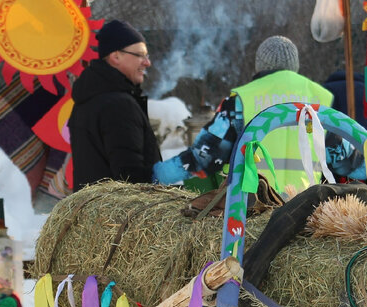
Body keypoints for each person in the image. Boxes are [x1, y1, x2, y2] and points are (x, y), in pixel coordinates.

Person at [154, 35, 333, 196]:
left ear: (259, 65)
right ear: (296, 65)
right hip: (307, 213)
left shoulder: (241, 101)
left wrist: (155, 174)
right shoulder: (323, 99)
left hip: (253, 211)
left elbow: (203, 157)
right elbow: (348, 160)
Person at [68, 19, 161, 191]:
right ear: (115, 56)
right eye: (140, 55)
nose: (147, 63)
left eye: (147, 56)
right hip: (120, 216)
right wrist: (173, 172)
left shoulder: (88, 99)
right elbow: (131, 179)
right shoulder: (118, 106)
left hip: (92, 212)